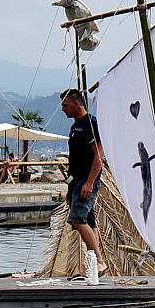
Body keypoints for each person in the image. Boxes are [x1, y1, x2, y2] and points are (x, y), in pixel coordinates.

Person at [60, 88, 107, 274]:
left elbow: (99, 155)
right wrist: (70, 189)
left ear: (76, 103)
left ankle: (100, 261)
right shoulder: (75, 127)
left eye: (65, 105)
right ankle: (94, 265)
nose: (63, 109)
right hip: (75, 181)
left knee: (77, 219)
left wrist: (90, 182)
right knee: (89, 220)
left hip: (87, 179)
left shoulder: (91, 124)